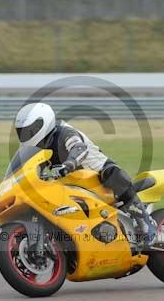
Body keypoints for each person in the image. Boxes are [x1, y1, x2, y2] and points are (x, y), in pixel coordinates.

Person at [14, 102, 156, 245]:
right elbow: (31, 167)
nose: (26, 135)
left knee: (112, 174)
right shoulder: (38, 147)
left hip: (97, 173)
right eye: (22, 132)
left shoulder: (64, 132)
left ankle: (145, 222)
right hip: (73, 183)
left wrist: (70, 163)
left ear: (43, 123)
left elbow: (79, 147)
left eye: (29, 130)